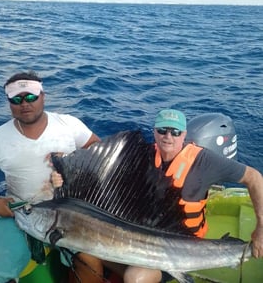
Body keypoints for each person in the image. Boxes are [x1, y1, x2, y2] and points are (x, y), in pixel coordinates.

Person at [52, 108, 263, 283]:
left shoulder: (205, 161)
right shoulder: (140, 158)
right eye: (162, 130)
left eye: (175, 132)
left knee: (136, 277)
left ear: (184, 135)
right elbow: (102, 179)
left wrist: (261, 228)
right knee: (83, 254)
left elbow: (254, 177)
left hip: (184, 247)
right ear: (154, 133)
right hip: (133, 239)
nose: (168, 137)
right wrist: (66, 175)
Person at [0, 71, 102, 283]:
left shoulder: (68, 125)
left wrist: (75, 160)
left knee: (91, 265)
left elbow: (98, 151)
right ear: (9, 103)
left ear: (43, 96)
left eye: (31, 97)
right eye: (17, 99)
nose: (24, 103)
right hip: (21, 212)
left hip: (71, 212)